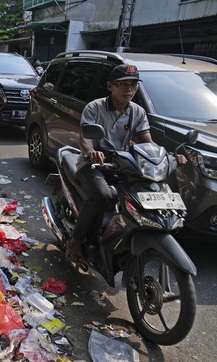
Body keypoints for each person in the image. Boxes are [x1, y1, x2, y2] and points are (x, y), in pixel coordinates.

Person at [66, 64, 152, 260]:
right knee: (102, 195)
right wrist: (92, 152)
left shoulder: (138, 112)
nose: (128, 89)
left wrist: (165, 156)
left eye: (133, 85)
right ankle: (76, 241)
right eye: (122, 84)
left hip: (122, 165)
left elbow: (147, 141)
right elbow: (85, 138)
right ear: (110, 86)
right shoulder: (94, 108)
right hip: (91, 164)